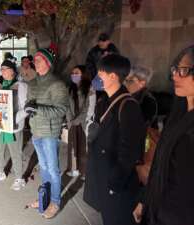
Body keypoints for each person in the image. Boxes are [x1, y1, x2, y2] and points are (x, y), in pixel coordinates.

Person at [133, 45, 194, 225]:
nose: (175, 76)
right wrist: (144, 199)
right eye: (175, 70)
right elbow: (160, 164)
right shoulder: (178, 113)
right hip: (156, 210)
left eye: (183, 71)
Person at [83, 54, 146, 225]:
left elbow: (129, 152)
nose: (97, 77)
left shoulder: (128, 106)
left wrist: (113, 184)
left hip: (118, 186)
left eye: (100, 73)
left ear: (113, 76)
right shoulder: (104, 100)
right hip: (103, 178)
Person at [25, 47, 69, 219]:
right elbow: (31, 103)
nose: (34, 62)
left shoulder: (57, 84)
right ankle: (45, 197)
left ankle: (55, 202)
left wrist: (37, 108)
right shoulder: (32, 83)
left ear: (48, 63)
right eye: (34, 59)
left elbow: (61, 109)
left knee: (53, 169)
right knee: (43, 167)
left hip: (50, 132)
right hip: (36, 130)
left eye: (39, 59)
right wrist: (28, 108)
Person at [0, 59, 28, 191]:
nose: (3, 71)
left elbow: (25, 107)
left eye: (5, 68)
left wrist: (14, 119)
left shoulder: (21, 86)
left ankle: (19, 178)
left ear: (12, 71)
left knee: (15, 152)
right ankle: (0, 172)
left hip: (13, 126)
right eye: (2, 69)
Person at [65, 65, 91, 178]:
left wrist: (78, 120)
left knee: (83, 147)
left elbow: (88, 107)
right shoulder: (70, 89)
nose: (74, 75)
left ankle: (84, 171)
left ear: (83, 75)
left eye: (77, 73)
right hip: (72, 122)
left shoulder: (90, 89)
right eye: (72, 73)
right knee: (72, 146)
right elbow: (66, 105)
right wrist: (70, 120)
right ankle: (74, 168)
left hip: (83, 122)